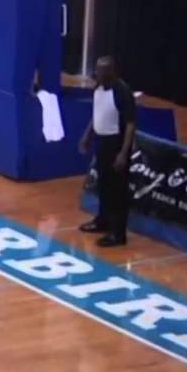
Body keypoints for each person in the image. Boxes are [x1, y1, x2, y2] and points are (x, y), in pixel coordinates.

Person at [78, 56, 137, 248]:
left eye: (103, 70)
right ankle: (102, 221)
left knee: (117, 190)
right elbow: (98, 114)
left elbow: (130, 124)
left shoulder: (122, 91)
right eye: (97, 70)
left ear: (113, 71)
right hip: (101, 141)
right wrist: (87, 135)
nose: (99, 73)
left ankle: (118, 233)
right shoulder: (98, 88)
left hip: (116, 143)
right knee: (103, 184)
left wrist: (123, 152)